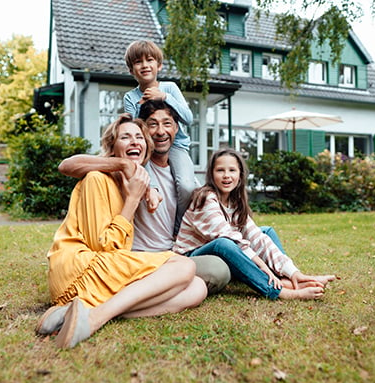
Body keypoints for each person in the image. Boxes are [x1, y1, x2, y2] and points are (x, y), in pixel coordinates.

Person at [36, 114, 207, 349]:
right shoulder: (97, 179)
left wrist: (142, 192)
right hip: (79, 271)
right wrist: (133, 198)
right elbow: (103, 247)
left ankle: (79, 314)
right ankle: (94, 320)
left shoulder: (129, 183)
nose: (135, 141)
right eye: (125, 137)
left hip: (101, 271)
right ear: (113, 147)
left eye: (139, 137)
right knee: (185, 266)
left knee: (198, 288)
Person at [58, 100, 231, 295]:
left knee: (219, 263)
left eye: (167, 124)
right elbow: (67, 166)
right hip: (133, 258)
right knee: (217, 271)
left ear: (176, 129)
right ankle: (151, 289)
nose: (160, 132)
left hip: (170, 254)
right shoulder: (119, 174)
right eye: (152, 125)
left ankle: (160, 288)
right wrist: (122, 165)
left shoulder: (182, 176)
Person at [174, 148, 337, 300]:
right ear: (211, 174)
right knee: (224, 243)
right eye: (220, 170)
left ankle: (291, 279)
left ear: (240, 174)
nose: (226, 175)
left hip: (224, 254)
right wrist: (264, 268)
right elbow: (232, 241)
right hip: (193, 257)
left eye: (232, 170)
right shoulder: (206, 199)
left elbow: (256, 236)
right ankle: (279, 290)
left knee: (265, 232)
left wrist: (294, 271)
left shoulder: (235, 201)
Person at [124, 40, 195, 233]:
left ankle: (179, 229)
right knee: (148, 182)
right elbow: (135, 129)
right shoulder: (130, 98)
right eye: (138, 62)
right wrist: (142, 105)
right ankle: (152, 195)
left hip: (176, 145)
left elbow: (188, 118)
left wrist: (164, 98)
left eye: (150, 60)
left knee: (188, 187)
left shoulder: (170, 88)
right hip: (148, 146)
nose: (145, 65)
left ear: (159, 65)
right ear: (131, 70)